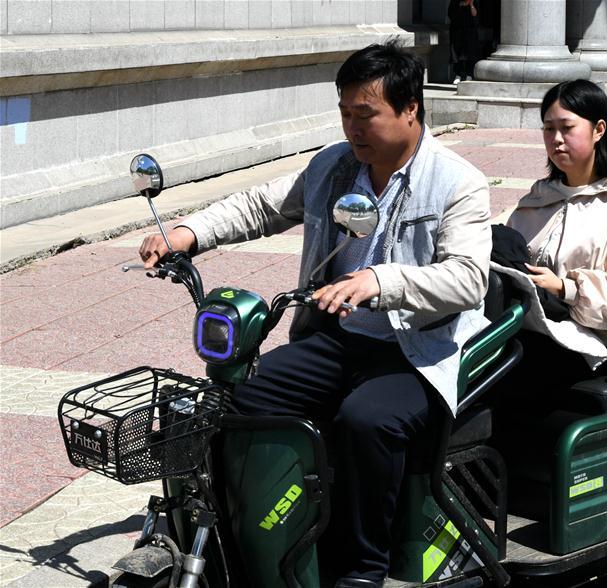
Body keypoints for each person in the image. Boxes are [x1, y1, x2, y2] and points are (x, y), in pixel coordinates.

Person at [139, 42, 492, 587]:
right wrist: (188, 232)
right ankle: (268, 531)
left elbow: (468, 279)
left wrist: (382, 280)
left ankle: (364, 566)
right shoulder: (333, 165)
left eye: (366, 114)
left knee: (366, 420)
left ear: (411, 109)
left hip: (417, 350)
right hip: (337, 338)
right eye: (345, 112)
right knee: (247, 398)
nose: (353, 127)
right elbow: (262, 204)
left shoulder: (457, 182)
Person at [501, 79, 607, 393]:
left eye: (567, 128)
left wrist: (566, 288)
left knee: (511, 374)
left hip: (599, 345)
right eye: (548, 129)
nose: (556, 140)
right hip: (533, 328)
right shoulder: (540, 197)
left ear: (599, 130)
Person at [448, 0, 479, 84]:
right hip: (457, 30)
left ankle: (469, 74)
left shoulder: (474, 1)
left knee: (470, 52)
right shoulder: (455, 2)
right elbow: (451, 15)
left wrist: (471, 5)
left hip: (470, 31)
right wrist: (460, 5)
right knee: (457, 53)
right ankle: (458, 75)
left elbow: (475, 14)